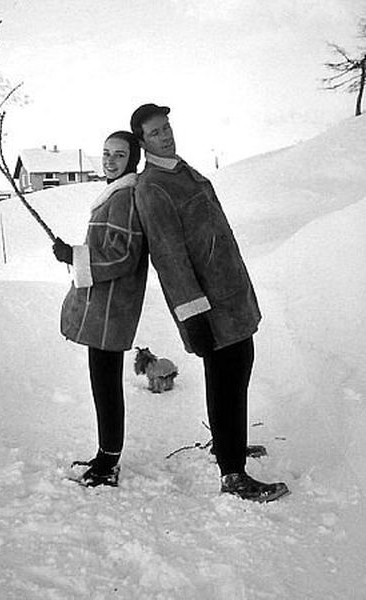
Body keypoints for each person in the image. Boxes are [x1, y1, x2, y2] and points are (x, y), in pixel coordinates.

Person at [130, 103, 289, 503]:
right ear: (142, 141)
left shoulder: (182, 170)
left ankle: (227, 446)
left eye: (166, 128)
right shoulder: (152, 186)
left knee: (238, 367)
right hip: (208, 304)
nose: (165, 135)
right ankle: (232, 474)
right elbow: (168, 255)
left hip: (229, 291)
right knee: (227, 376)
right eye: (155, 133)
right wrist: (192, 314)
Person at [52, 130, 148, 487]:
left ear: (132, 159)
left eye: (119, 155)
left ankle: (108, 463)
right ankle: (105, 454)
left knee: (106, 385)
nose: (110, 160)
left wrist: (74, 255)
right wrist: (75, 254)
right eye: (106, 153)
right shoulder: (116, 193)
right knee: (102, 382)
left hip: (112, 306)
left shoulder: (125, 197)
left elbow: (124, 254)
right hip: (105, 303)